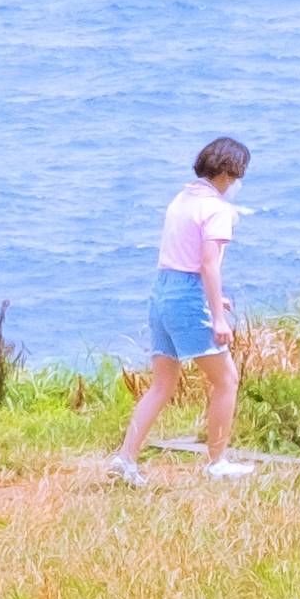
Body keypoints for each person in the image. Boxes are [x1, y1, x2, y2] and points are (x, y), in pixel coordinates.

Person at [112, 138, 264, 480]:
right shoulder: (218, 209)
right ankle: (217, 463)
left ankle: (126, 459)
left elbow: (183, 260)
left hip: (163, 291)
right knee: (227, 380)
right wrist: (219, 317)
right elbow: (209, 265)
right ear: (229, 172)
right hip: (187, 296)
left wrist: (212, 299)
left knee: (162, 384)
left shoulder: (181, 199)